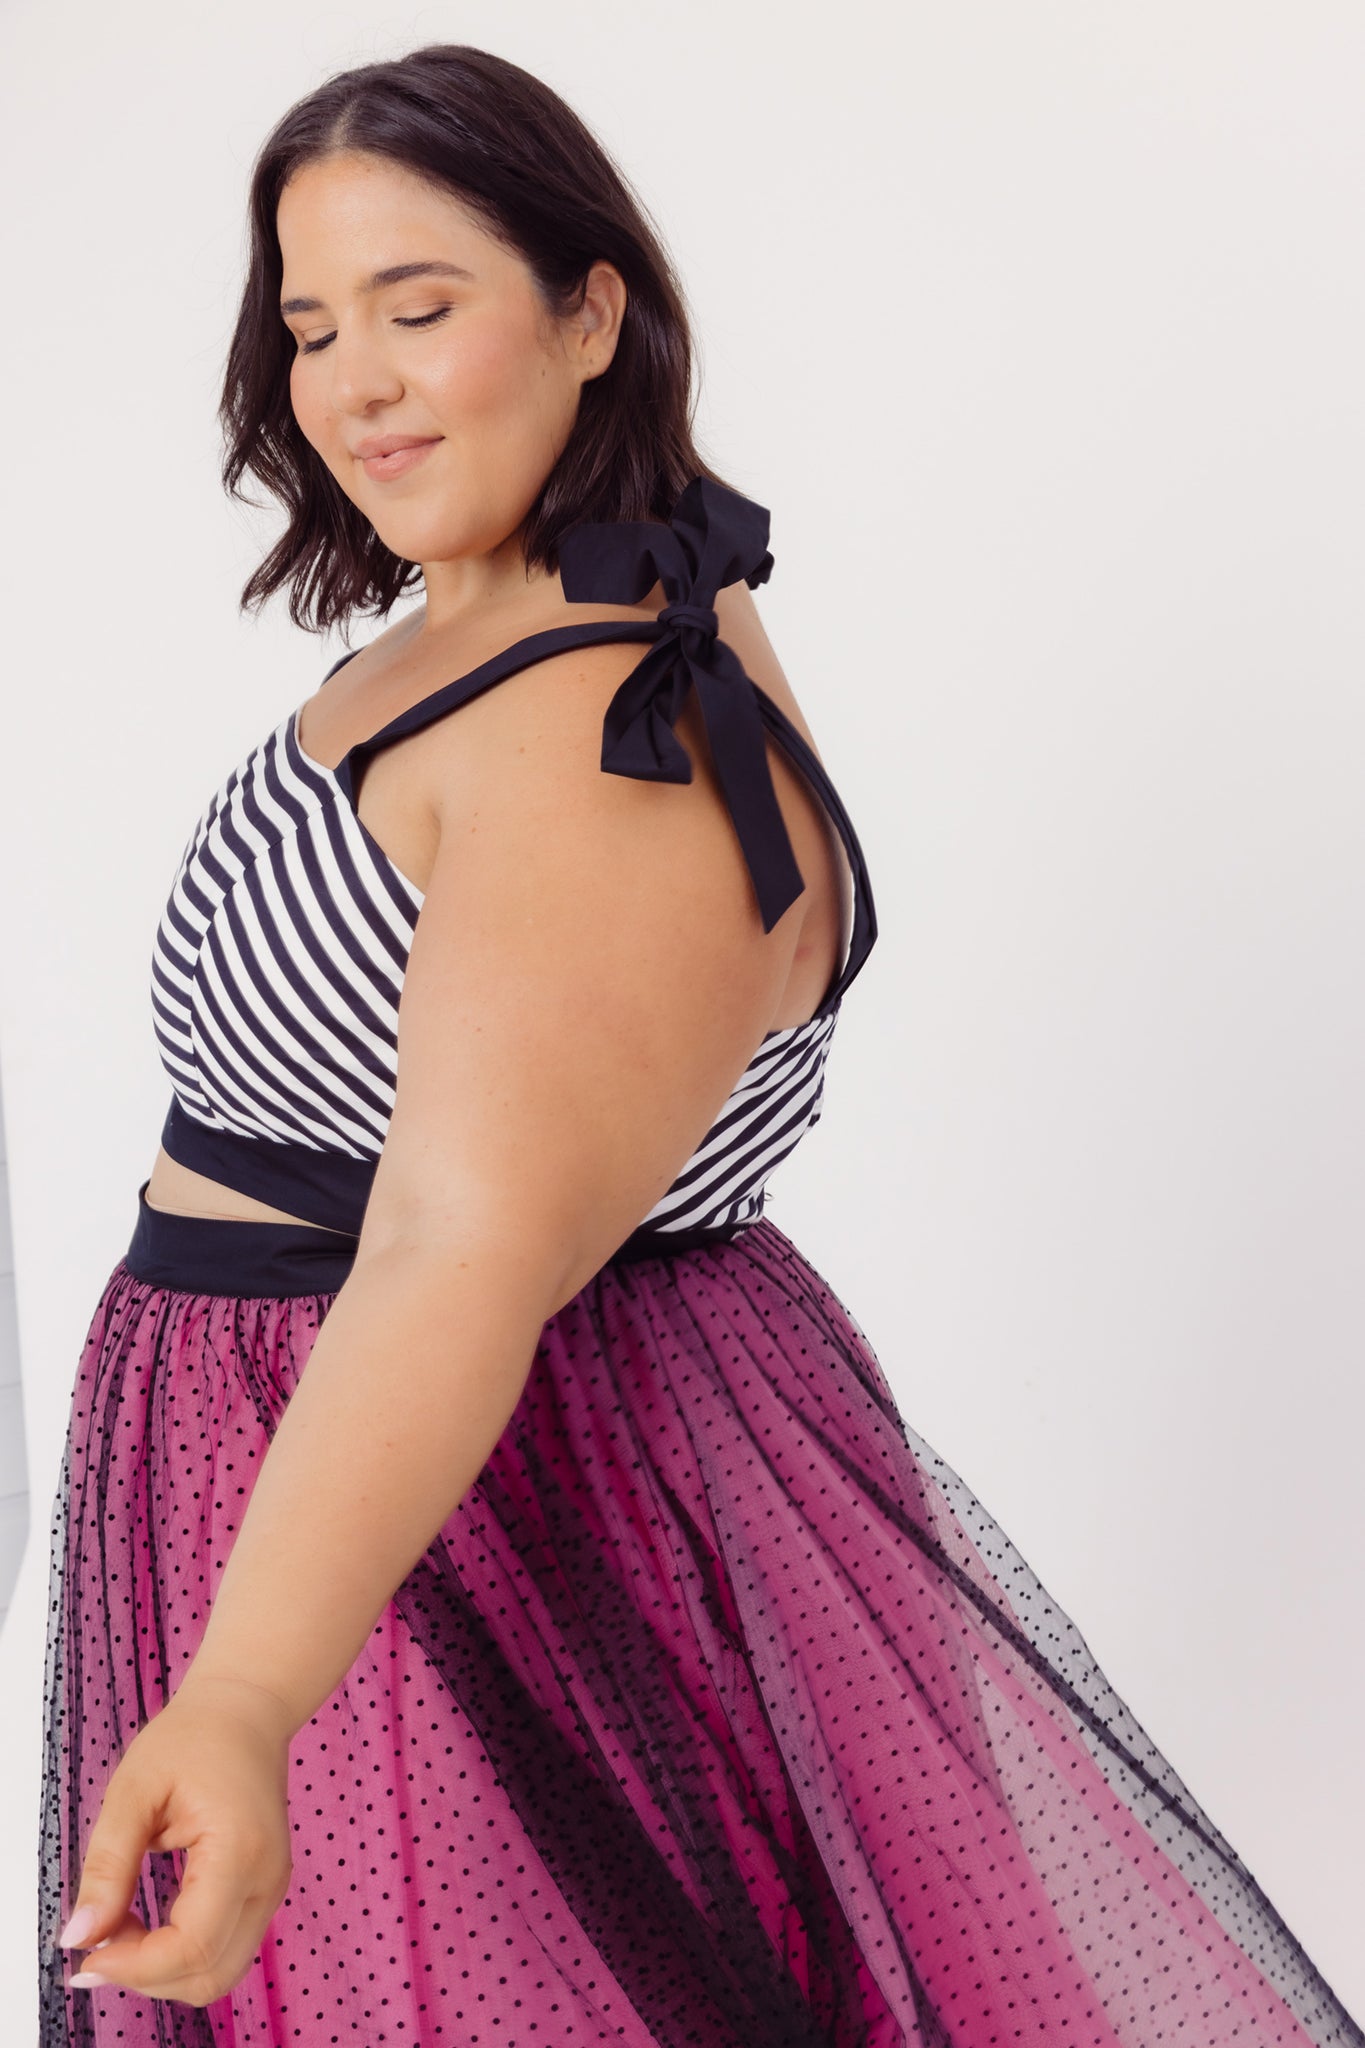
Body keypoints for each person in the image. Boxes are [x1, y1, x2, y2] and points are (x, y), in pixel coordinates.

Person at [35, 42, 1362, 2048]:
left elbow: (460, 1247)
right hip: (378, 1463)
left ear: (593, 309)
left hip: (455, 1496)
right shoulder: (553, 614)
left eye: (421, 307)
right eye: (310, 326)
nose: (356, 382)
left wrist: (243, 1694)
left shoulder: (604, 729)